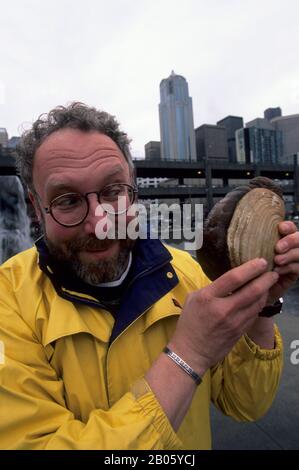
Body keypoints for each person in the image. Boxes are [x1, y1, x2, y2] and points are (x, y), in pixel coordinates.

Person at [0, 102, 298, 450]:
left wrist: (260, 307)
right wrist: (188, 355)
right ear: (37, 208)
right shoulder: (8, 298)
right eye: (67, 200)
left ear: (134, 190)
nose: (100, 223)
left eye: (113, 192)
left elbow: (245, 403)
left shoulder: (186, 271)